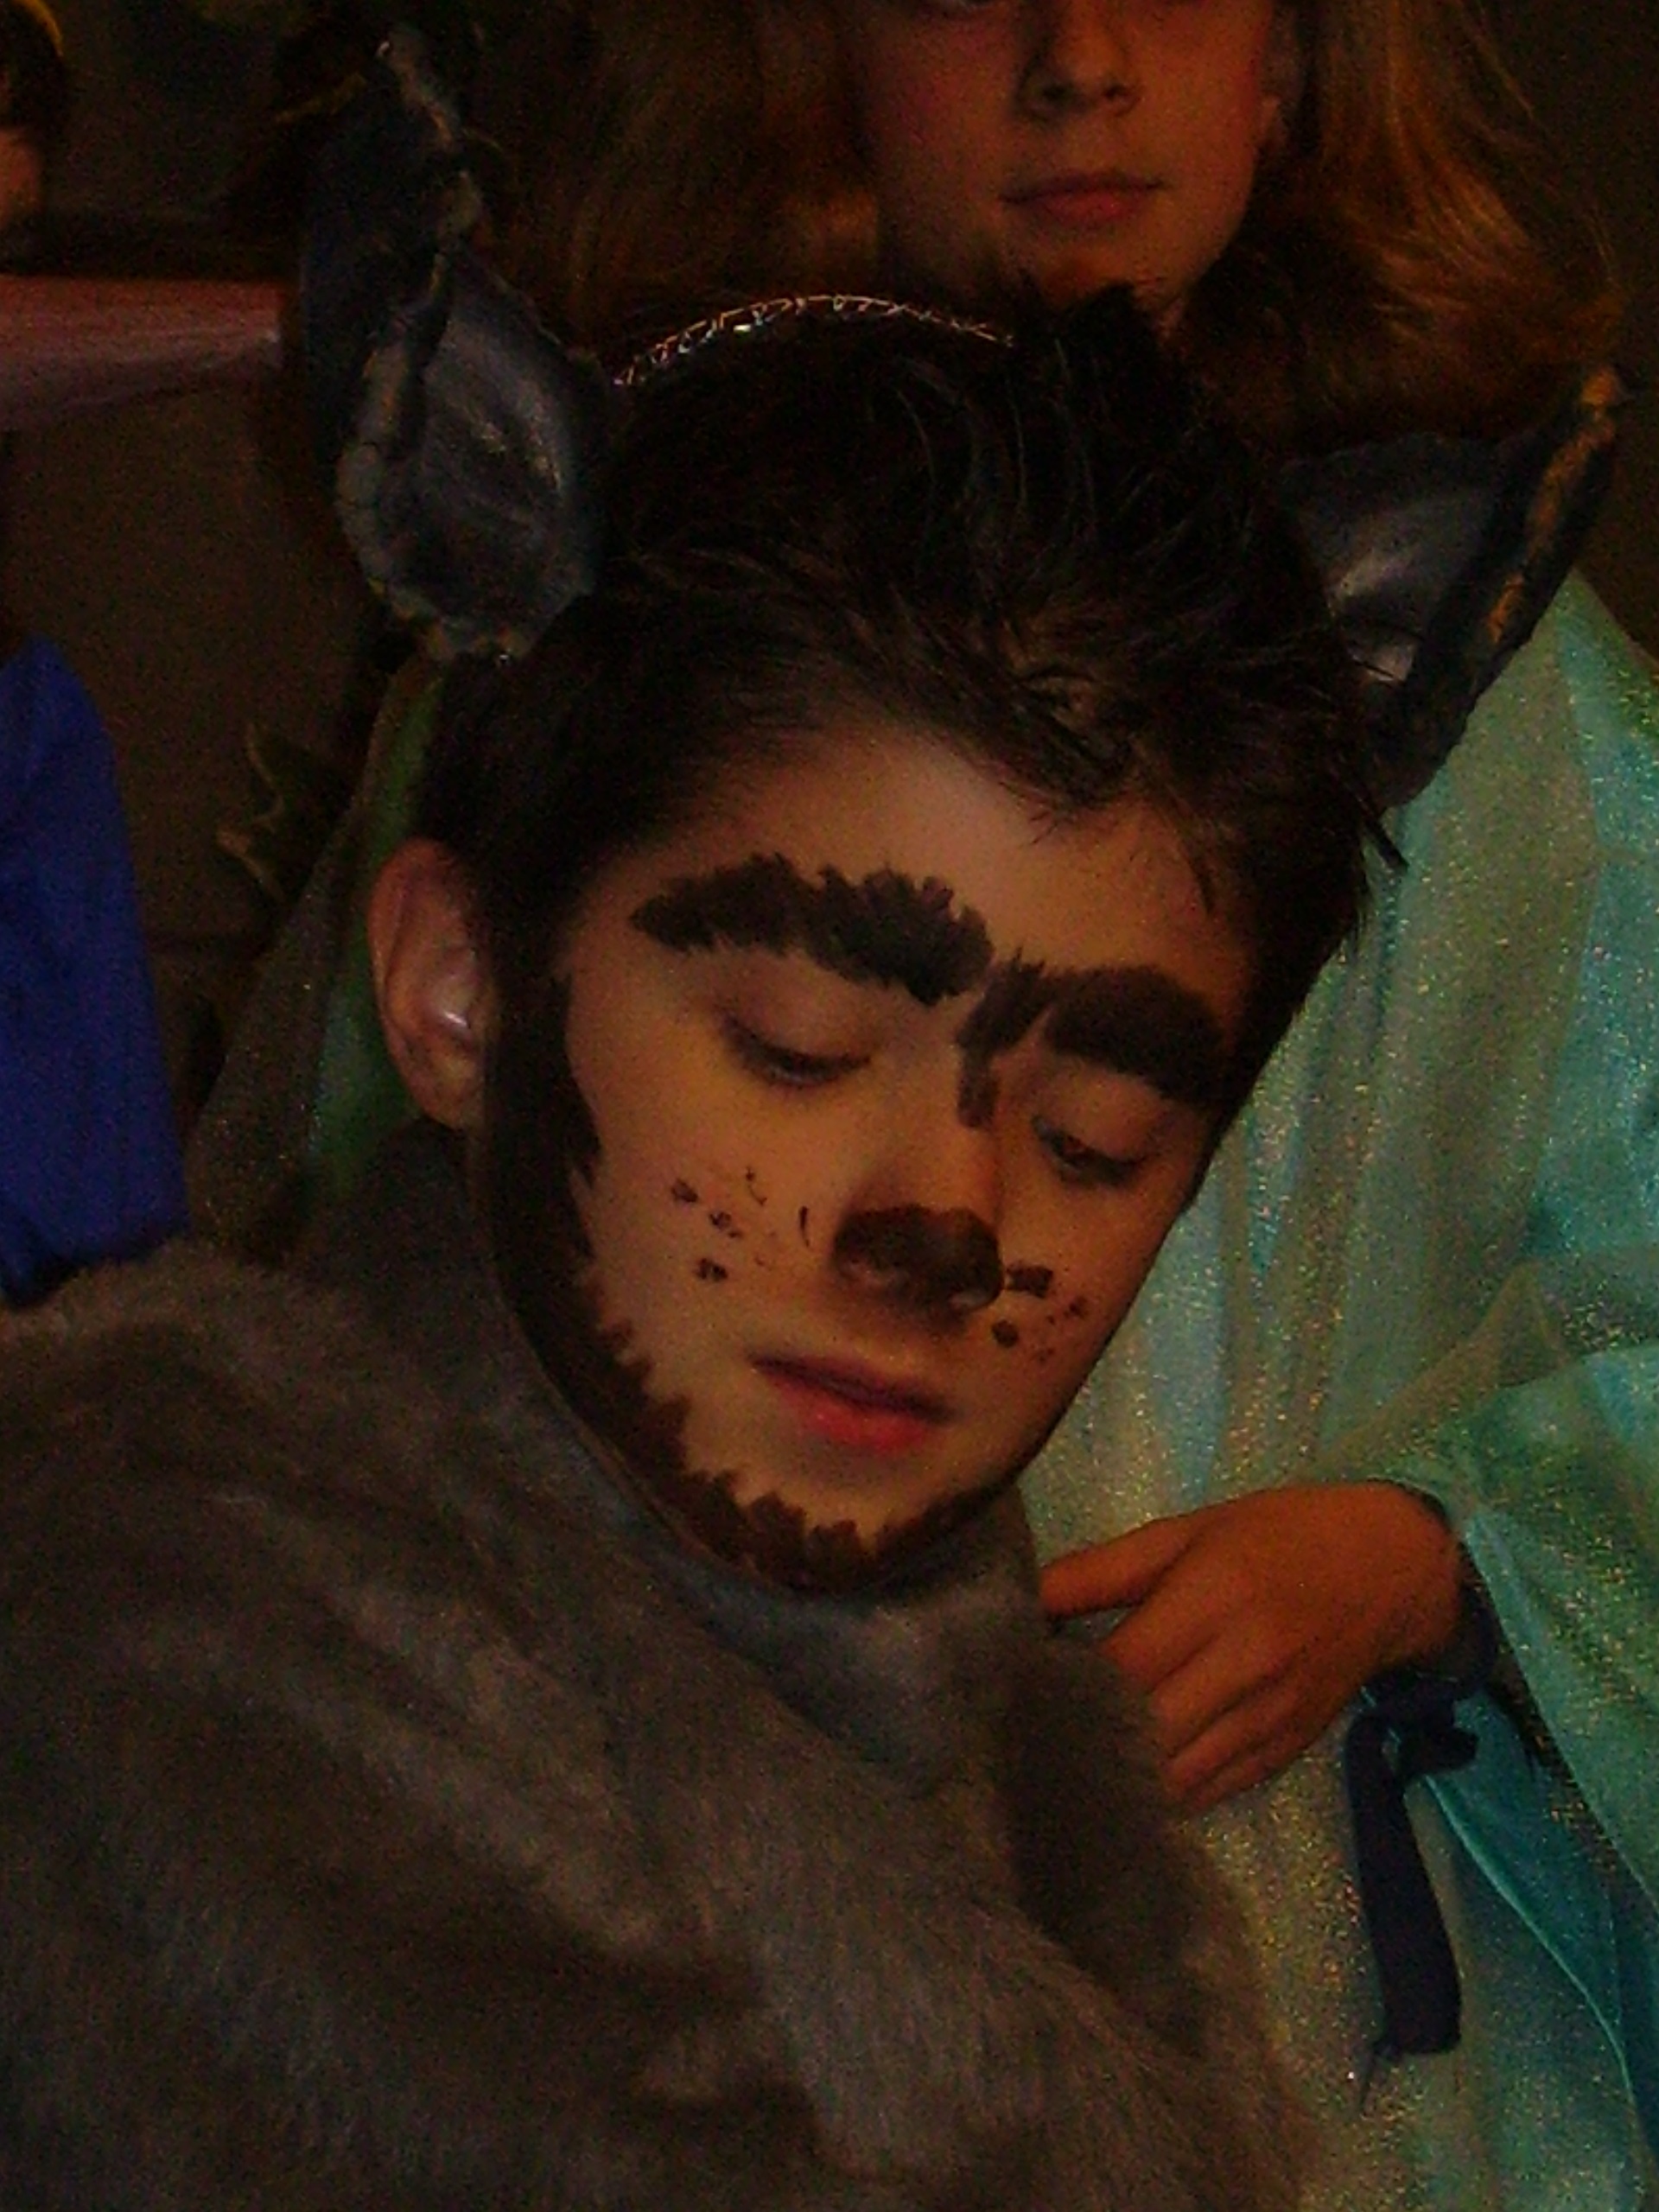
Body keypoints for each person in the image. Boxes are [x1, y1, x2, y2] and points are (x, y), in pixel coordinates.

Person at [0, 288, 1375, 2208]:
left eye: (1095, 1140)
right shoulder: (169, 1603)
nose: (946, 1229)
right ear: (461, 987)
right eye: (798, 1052)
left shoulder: (1031, 1764)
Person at [479, 3, 1659, 2207]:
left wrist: (1432, 1553)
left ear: (1298, 60)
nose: (1079, 57)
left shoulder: (1513, 709)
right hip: (701, 1916)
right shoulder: (646, 643)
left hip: (1326, 2014)